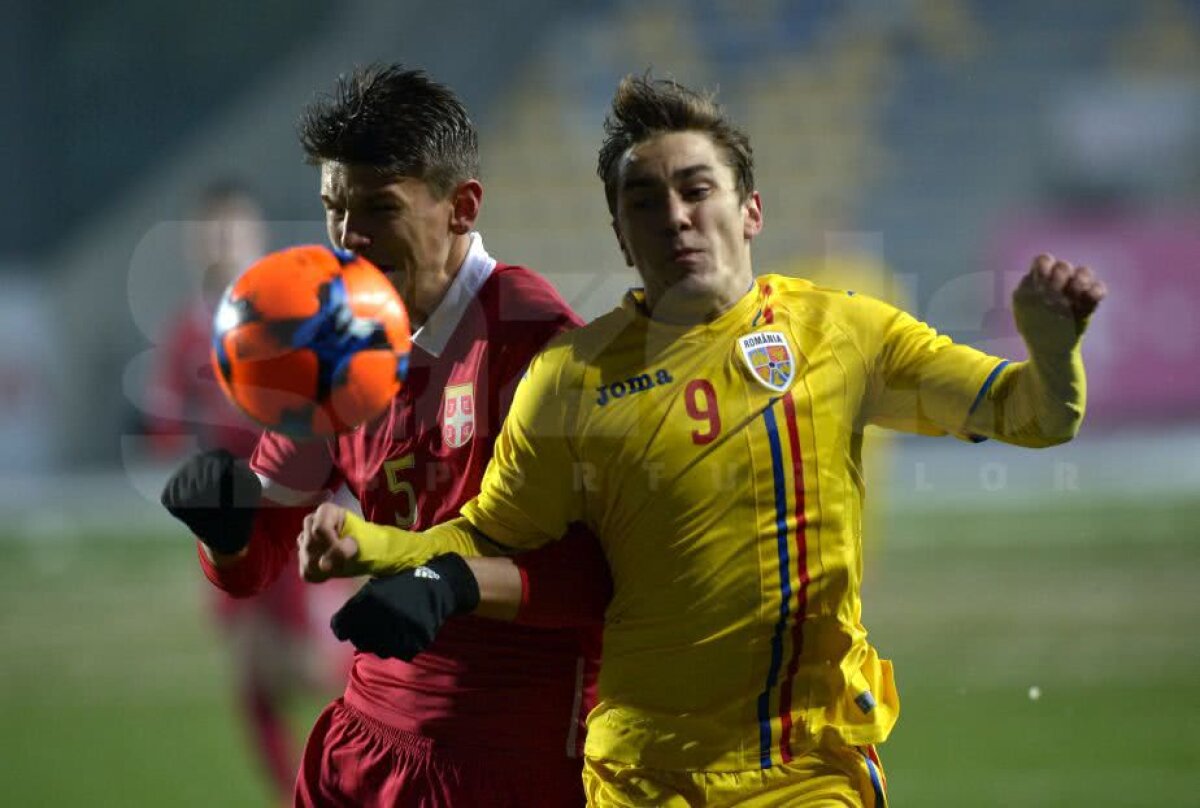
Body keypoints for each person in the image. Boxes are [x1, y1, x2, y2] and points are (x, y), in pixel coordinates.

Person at [299, 74, 1107, 807]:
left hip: (805, 767)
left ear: (750, 210)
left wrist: (1051, 351)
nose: (675, 216)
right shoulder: (569, 378)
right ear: (621, 234)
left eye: (696, 189)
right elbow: (487, 533)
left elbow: (1035, 415)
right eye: (644, 201)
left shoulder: (844, 332)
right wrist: (380, 549)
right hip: (638, 775)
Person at [160, 65, 609, 807]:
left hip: (506, 760)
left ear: (462, 207)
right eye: (336, 208)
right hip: (363, 748)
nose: (349, 238)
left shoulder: (537, 345)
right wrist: (224, 528)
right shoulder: (333, 334)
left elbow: (600, 579)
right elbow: (255, 558)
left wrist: (450, 584)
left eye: (378, 208)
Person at [144, 181, 349, 802]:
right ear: (193, 242)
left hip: (291, 510)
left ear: (256, 239)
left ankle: (380, 752)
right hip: (229, 520)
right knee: (249, 670)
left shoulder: (288, 316)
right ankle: (295, 795)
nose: (220, 241)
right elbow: (165, 428)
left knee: (313, 667)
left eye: (232, 229)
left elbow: (332, 405)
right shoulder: (185, 332)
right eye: (211, 230)